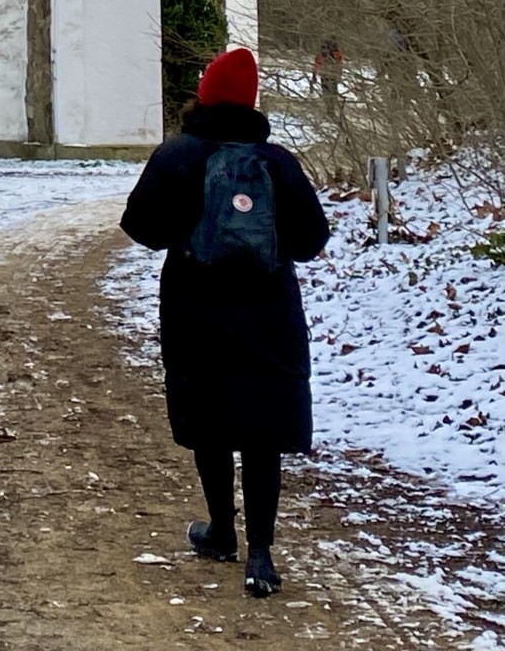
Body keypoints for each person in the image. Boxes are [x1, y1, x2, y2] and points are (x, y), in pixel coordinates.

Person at [120, 47, 330, 598]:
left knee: (210, 421)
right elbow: (311, 240)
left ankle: (220, 532)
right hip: (269, 313)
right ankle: (261, 554)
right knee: (262, 428)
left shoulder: (178, 156)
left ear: (205, 96)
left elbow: (140, 226)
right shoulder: (278, 162)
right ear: (252, 102)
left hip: (196, 310)